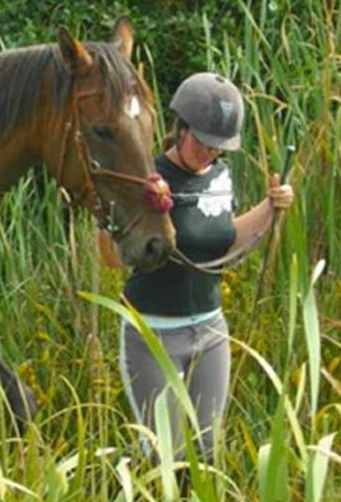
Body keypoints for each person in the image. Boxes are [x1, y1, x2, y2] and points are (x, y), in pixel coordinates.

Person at [97, 72, 294, 461]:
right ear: (180, 128)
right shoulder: (148, 177)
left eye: (217, 148)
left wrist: (272, 205)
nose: (209, 154)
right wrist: (108, 216)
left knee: (206, 448)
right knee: (164, 453)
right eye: (202, 143)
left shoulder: (220, 176)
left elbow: (226, 239)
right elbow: (112, 258)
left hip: (210, 329)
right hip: (152, 333)